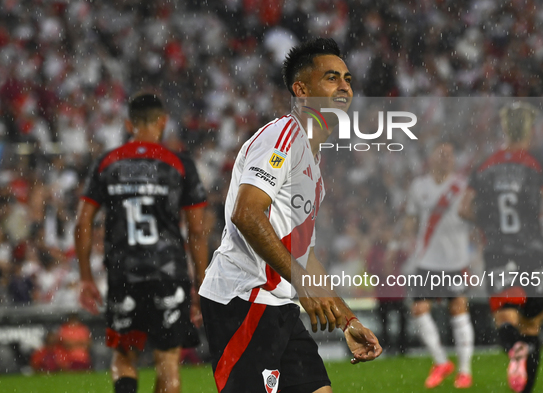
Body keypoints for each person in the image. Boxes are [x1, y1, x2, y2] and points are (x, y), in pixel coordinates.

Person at [199, 38, 382, 393]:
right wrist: (300, 283)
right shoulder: (282, 137)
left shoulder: (313, 161)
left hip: (280, 304)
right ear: (302, 90)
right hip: (244, 299)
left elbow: (302, 253)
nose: (344, 86)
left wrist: (346, 319)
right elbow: (246, 214)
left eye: (347, 79)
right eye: (331, 78)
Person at [75, 93, 208, 393]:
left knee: (124, 355)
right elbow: (197, 231)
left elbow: (82, 222)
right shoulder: (179, 164)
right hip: (169, 273)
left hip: (124, 273)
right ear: (163, 121)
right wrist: (201, 281)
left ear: (129, 123)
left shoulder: (107, 163)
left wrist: (85, 277)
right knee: (168, 363)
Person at [459, 102, 543, 393]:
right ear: (530, 129)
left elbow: (464, 209)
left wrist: (488, 221)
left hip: (499, 250)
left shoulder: (486, 165)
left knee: (505, 318)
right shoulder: (536, 163)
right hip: (533, 251)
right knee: (532, 324)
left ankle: (514, 348)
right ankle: (525, 382)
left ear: (504, 129)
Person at [403, 142, 474, 389]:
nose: (445, 157)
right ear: (431, 157)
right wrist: (406, 236)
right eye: (441, 153)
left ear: (454, 159)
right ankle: (442, 362)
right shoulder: (418, 186)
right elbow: (411, 219)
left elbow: (474, 217)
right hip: (426, 260)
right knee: (419, 309)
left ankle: (464, 371)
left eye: (449, 154)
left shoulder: (463, 186)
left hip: (455, 260)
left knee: (458, 309)